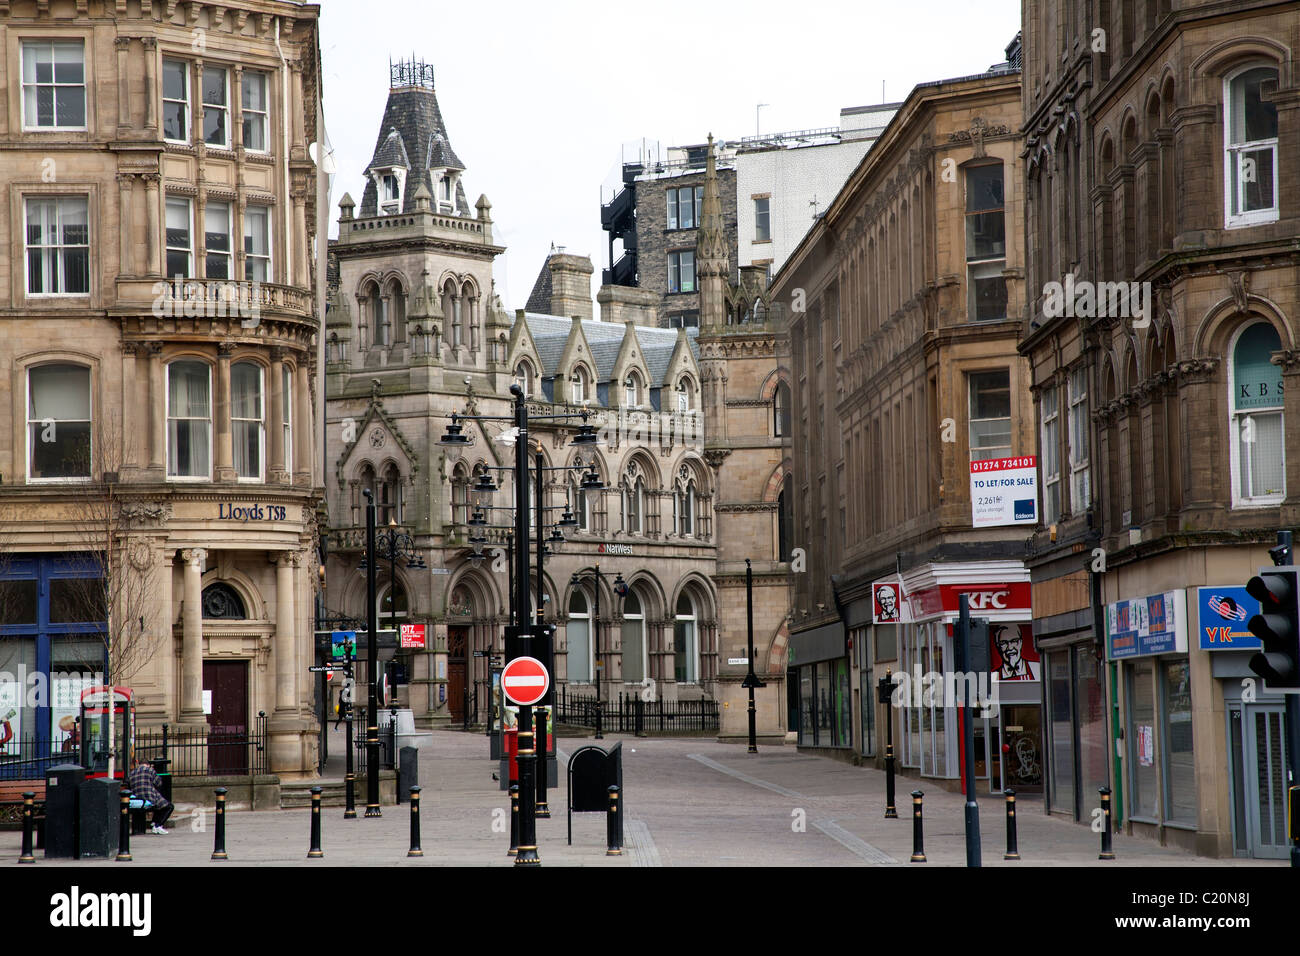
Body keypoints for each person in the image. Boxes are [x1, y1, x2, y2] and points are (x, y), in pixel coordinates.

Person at [129, 754, 173, 834]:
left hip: (136, 799)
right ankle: (158, 825)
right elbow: (159, 783)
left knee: (160, 803)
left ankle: (154, 823)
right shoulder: (150, 770)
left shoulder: (132, 773)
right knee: (168, 806)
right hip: (149, 798)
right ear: (148, 764)